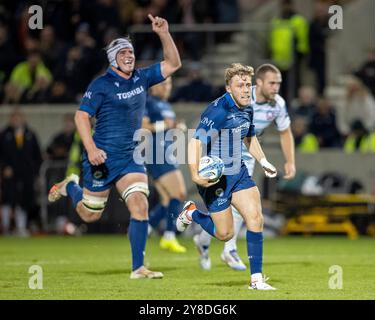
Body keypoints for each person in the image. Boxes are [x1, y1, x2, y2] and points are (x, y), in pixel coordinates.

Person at [48, 14, 181, 279]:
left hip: (130, 157)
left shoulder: (141, 78)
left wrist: (164, 33)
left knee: (140, 206)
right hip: (102, 158)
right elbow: (81, 116)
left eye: (130, 51)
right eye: (122, 52)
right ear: (112, 58)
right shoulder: (101, 85)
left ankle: (138, 268)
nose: (128, 55)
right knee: (89, 215)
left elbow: (173, 64)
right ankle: (70, 186)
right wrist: (91, 149)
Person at [176, 63, 278, 290]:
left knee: (256, 218)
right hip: (215, 178)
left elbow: (249, 137)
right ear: (228, 88)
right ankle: (192, 213)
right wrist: (195, 175)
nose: (244, 89)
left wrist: (263, 161)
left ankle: (256, 280)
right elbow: (195, 142)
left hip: (239, 173)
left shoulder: (247, 107)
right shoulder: (218, 111)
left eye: (248, 85)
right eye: (240, 85)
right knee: (225, 233)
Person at [194, 64, 296, 271]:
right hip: (219, 165)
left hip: (243, 162)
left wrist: (270, 160)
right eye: (272, 83)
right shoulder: (221, 108)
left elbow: (269, 134)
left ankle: (236, 258)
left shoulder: (274, 104)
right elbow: (195, 141)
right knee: (225, 228)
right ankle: (198, 225)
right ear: (259, 84)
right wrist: (195, 173)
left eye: (279, 83)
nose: (276, 87)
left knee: (252, 214)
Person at [143, 77, 187, 253]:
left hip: (165, 152)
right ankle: (169, 236)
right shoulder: (148, 101)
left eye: (169, 84)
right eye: (163, 84)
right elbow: (143, 126)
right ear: (153, 87)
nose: (167, 87)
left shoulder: (166, 105)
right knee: (180, 193)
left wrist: (176, 127)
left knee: (168, 200)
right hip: (156, 153)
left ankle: (143, 229)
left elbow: (167, 127)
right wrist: (164, 125)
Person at [0, 109, 42, 236]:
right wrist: (4, 167)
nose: (16, 120)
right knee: (8, 199)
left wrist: (36, 173)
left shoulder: (30, 134)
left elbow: (37, 156)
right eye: (14, 118)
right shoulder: (4, 134)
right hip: (9, 174)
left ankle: (21, 227)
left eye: (18, 117)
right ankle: (6, 227)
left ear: (23, 119)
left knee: (24, 200)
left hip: (26, 174)